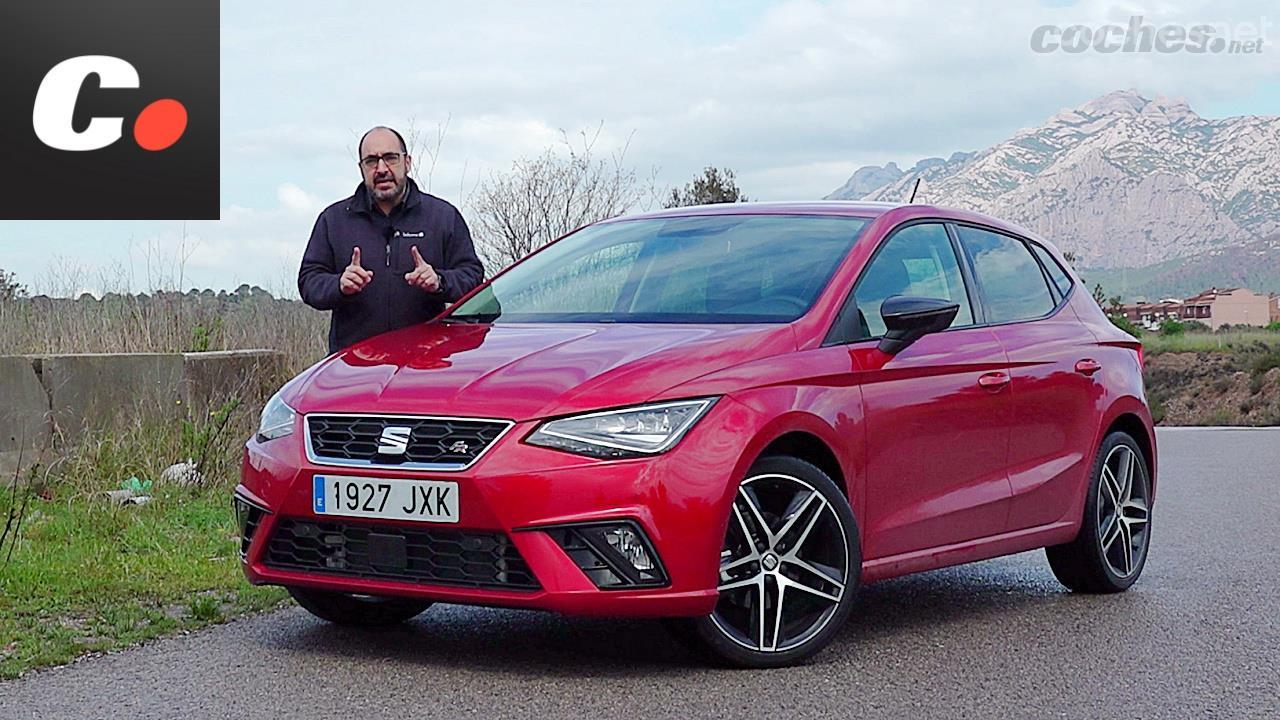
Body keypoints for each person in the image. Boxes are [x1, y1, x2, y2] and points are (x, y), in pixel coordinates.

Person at [298, 126, 484, 353]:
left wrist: (439, 281)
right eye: (371, 161)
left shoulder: (443, 216)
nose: (381, 169)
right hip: (352, 366)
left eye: (390, 158)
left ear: (407, 162)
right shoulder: (334, 220)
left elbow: (473, 277)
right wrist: (339, 285)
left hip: (426, 365)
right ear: (361, 168)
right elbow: (309, 281)